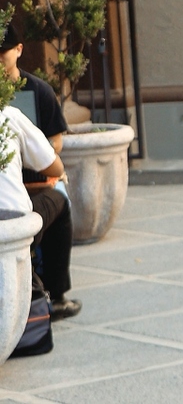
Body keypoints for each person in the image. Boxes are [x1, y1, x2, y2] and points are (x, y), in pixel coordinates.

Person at [1, 24, 80, 320]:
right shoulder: (11, 115)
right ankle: (49, 295)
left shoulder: (38, 91)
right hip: (15, 201)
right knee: (57, 202)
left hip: (36, 183)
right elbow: (54, 162)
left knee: (57, 193)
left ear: (19, 50)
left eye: (3, 52)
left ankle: (53, 291)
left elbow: (55, 141)